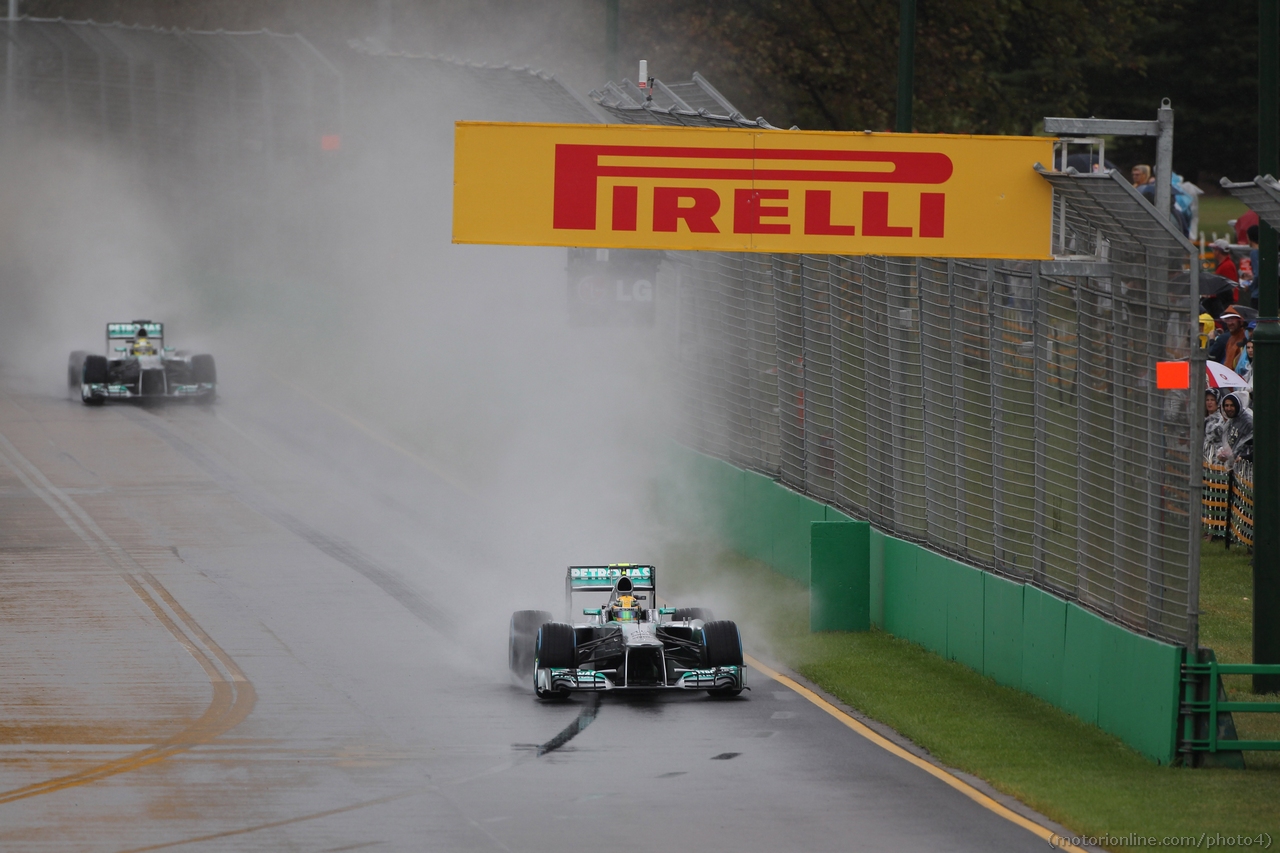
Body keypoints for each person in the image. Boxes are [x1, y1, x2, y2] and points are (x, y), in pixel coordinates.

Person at [1216, 391, 1254, 464]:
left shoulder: (1247, 422)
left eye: (1232, 405)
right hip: (1236, 466)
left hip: (1245, 467)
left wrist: (1244, 457)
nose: (1229, 408)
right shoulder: (1231, 421)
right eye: (1226, 405)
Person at [1204, 389, 1226, 458]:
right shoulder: (1204, 418)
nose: (1209, 402)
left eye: (1212, 400)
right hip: (1205, 457)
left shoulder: (1221, 419)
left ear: (1218, 402)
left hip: (1216, 459)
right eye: (1207, 400)